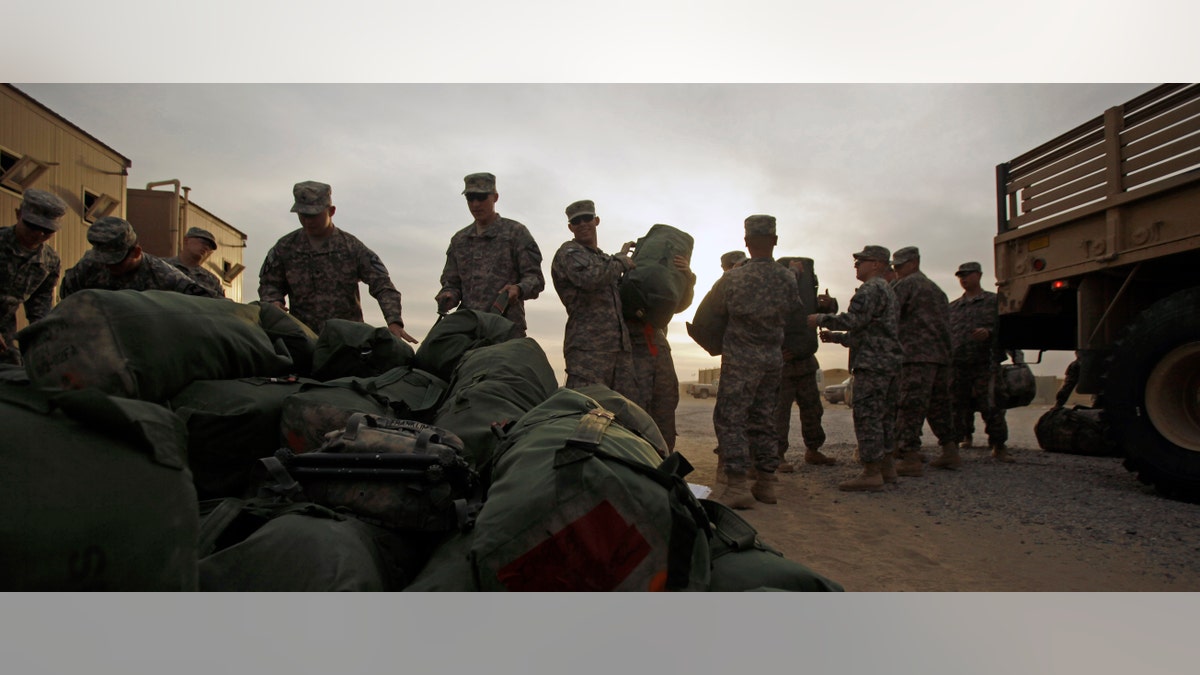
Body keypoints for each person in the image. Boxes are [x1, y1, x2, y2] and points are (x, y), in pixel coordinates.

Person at [711, 215, 803, 509]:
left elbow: (714, 314)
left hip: (740, 359)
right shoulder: (788, 278)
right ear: (774, 241)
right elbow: (795, 314)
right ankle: (766, 483)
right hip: (772, 360)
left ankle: (737, 484)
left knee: (731, 418)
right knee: (764, 419)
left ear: (747, 243)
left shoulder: (734, 278)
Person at [258, 181, 415, 342]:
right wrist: (273, 303)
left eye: (314, 215)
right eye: (302, 215)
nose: (308, 221)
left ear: (331, 211)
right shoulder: (285, 247)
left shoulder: (351, 247)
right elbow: (269, 284)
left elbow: (383, 285)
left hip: (347, 342)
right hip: (301, 339)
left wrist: (394, 321)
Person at [808, 245, 902, 492]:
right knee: (885, 416)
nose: (856, 266)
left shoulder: (870, 289)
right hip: (888, 362)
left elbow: (853, 321)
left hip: (872, 364)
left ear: (876, 264)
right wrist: (836, 337)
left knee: (868, 416)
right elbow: (868, 331)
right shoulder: (888, 291)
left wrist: (820, 319)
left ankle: (871, 472)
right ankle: (887, 467)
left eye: (861, 262)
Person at [436, 172, 545, 337]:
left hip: (506, 330)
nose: (475, 204)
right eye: (470, 198)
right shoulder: (459, 240)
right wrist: (449, 294)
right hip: (467, 330)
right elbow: (452, 282)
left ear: (495, 197)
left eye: (481, 197)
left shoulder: (515, 233)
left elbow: (535, 279)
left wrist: (518, 288)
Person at [550, 199, 636, 390]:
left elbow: (615, 285)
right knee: (588, 410)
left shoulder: (604, 259)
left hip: (619, 350)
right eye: (576, 221)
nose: (582, 224)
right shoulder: (569, 252)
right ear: (570, 227)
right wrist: (621, 261)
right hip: (587, 351)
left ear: (596, 221)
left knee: (622, 413)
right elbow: (590, 278)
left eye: (586, 218)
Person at [889, 246, 959, 475]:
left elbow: (887, 312)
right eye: (895, 267)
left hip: (915, 356)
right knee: (939, 405)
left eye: (900, 266)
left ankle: (909, 457)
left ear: (914, 263)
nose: (897, 271)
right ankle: (950, 451)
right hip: (939, 357)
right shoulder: (937, 290)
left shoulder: (908, 285)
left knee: (910, 405)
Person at [625, 250, 696, 453]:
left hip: (658, 351)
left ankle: (664, 462)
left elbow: (679, 304)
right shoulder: (625, 278)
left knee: (665, 409)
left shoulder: (663, 287)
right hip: (635, 352)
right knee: (637, 413)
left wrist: (687, 278)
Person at [774, 257, 838, 471]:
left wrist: (830, 305)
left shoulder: (807, 293)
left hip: (806, 361)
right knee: (779, 412)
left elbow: (825, 314)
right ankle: (777, 455)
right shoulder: (778, 290)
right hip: (783, 363)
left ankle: (813, 450)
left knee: (813, 409)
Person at [60, 216, 219, 300]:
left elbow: (208, 302)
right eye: (102, 259)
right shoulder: (88, 265)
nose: (108, 266)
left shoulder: (164, 275)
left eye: (116, 261)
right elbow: (68, 299)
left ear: (136, 253)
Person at [948, 261, 1011, 462]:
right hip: (959, 363)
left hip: (986, 362)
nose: (964, 279)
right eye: (960, 276)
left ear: (979, 275)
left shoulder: (994, 302)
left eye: (967, 275)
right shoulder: (954, 307)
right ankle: (957, 443)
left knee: (991, 404)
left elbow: (1008, 329)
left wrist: (989, 333)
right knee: (958, 405)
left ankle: (998, 445)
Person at [1, 189, 66, 365]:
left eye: (47, 231)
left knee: (13, 367)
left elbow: (40, 306)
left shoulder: (49, 261)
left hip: (5, 327)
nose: (39, 235)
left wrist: (43, 338)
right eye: (33, 226)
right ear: (18, 214)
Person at [164, 226, 225, 298]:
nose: (206, 247)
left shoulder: (211, 280)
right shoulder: (162, 266)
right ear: (186, 240)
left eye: (209, 246)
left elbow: (220, 304)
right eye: (203, 242)